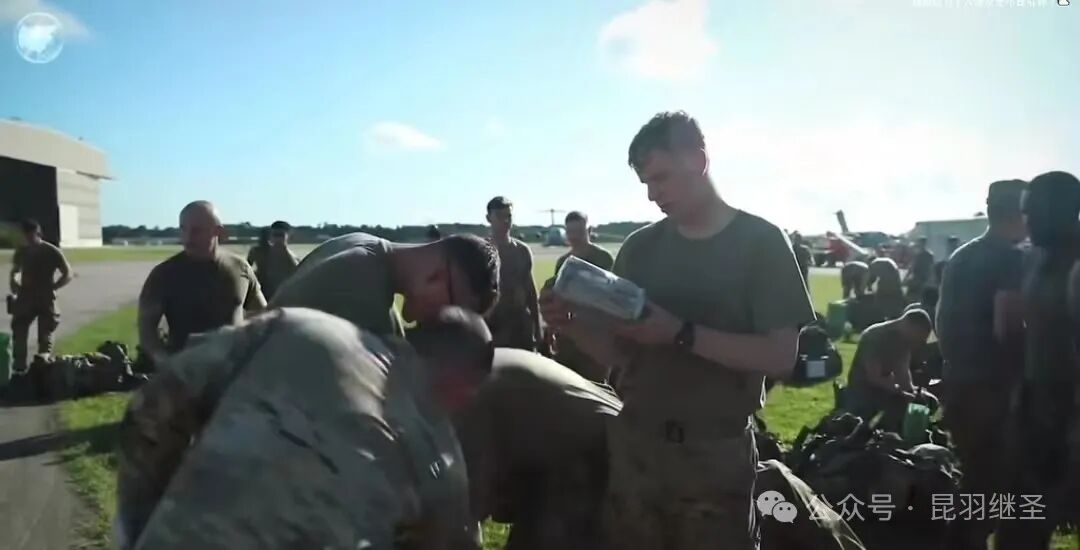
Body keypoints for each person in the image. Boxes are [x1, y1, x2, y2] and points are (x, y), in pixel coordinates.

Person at [541, 111, 815, 550]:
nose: (653, 195)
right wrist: (570, 325)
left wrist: (681, 333)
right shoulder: (640, 248)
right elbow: (620, 355)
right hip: (637, 449)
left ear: (699, 161)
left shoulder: (761, 243)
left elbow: (780, 355)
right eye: (645, 183)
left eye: (661, 178)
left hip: (713, 456)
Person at [114, 306, 493, 550]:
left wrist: (138, 521)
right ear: (464, 388)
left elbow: (154, 406)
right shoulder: (442, 466)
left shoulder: (300, 327)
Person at [935, 179, 1028, 550]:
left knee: (975, 477)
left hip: (959, 380)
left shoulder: (963, 255)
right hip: (993, 388)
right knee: (992, 482)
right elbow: (1008, 326)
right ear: (1021, 214)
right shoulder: (1009, 258)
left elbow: (941, 320)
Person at [455, 348, 622, 549]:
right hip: (567, 444)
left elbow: (459, 518)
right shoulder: (459, 378)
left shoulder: (464, 406)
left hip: (598, 455)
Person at [997, 171, 1080, 550]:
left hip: (1072, 412)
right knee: (1022, 518)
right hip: (1038, 404)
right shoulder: (1032, 259)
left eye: (1033, 212)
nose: (1026, 221)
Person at [271, 231, 500, 337]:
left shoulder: (360, 244)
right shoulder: (364, 287)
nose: (435, 323)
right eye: (449, 312)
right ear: (436, 276)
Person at [138, 201, 267, 365]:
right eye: (183, 229)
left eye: (197, 230)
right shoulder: (163, 274)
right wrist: (165, 363)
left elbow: (263, 314)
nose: (188, 238)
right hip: (187, 373)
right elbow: (147, 330)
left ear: (218, 232)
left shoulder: (240, 269)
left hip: (234, 372)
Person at [550, 211, 616, 381]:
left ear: (589, 230)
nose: (574, 237)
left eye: (579, 231)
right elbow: (558, 299)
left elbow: (612, 297)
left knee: (597, 385)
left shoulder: (602, 259)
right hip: (568, 337)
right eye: (570, 232)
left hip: (596, 336)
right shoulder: (563, 262)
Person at [843, 309, 933, 425]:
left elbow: (903, 374)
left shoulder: (904, 342)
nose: (918, 342)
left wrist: (913, 392)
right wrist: (900, 392)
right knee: (897, 408)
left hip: (885, 388)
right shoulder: (874, 336)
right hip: (863, 389)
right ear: (909, 326)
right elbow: (873, 377)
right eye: (918, 336)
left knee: (929, 402)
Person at [7, 219, 73, 372]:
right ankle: (19, 368)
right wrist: (14, 282)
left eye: (31, 235)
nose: (29, 239)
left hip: (45, 297)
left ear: (38, 233)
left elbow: (68, 273)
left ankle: (43, 368)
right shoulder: (22, 251)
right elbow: (15, 270)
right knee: (19, 330)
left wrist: (55, 287)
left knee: (45, 335)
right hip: (25, 297)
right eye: (26, 236)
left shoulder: (51, 251)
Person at [486, 197, 541, 351]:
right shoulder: (481, 251)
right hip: (492, 327)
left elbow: (530, 291)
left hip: (520, 326)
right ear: (489, 218)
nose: (505, 221)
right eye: (500, 216)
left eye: (508, 216)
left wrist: (537, 327)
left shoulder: (521, 251)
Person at [248, 221, 299, 301]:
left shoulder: (291, 257)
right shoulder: (258, 251)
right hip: (260, 294)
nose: (277, 238)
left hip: (281, 296)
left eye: (281, 235)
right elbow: (246, 269)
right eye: (275, 235)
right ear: (270, 235)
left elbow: (297, 275)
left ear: (288, 236)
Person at [905, 237, 935, 303]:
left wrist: (907, 277)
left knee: (917, 295)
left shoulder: (925, 255)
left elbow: (931, 267)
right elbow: (912, 266)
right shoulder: (925, 254)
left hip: (921, 278)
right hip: (919, 277)